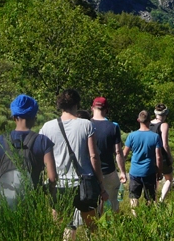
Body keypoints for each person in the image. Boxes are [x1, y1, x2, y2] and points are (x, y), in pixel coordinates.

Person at [39, 89, 108, 239]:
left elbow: (41, 155)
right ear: (77, 103)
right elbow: (94, 156)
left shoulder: (47, 127)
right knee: (93, 228)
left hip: (58, 185)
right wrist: (101, 184)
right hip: (85, 184)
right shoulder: (86, 125)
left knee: (65, 227)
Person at [0, 94, 57, 198]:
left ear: (14, 117)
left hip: (5, 201)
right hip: (32, 201)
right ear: (34, 117)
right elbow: (52, 177)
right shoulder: (43, 141)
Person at [91, 97, 126, 212]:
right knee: (111, 203)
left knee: (91, 205)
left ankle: (91, 228)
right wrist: (122, 172)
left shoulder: (86, 125)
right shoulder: (113, 126)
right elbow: (118, 151)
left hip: (89, 171)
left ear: (92, 108)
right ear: (106, 110)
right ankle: (109, 227)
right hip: (108, 171)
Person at [123, 110, 162, 213]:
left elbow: (124, 154)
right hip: (149, 171)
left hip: (135, 172)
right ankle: (148, 216)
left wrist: (121, 170)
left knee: (133, 197)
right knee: (150, 197)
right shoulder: (155, 137)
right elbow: (158, 157)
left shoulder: (132, 136)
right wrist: (159, 172)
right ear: (150, 121)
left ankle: (136, 219)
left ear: (138, 120)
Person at [149, 104, 174, 202]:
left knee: (155, 179)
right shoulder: (164, 125)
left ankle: (152, 200)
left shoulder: (149, 123)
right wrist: (169, 157)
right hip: (161, 155)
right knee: (169, 178)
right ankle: (161, 200)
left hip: (150, 155)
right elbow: (165, 144)